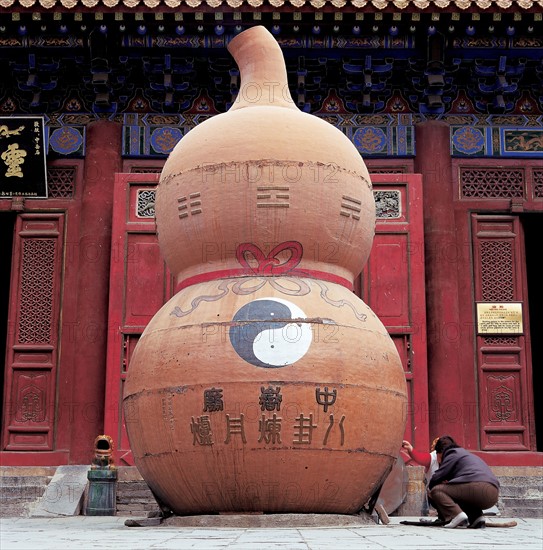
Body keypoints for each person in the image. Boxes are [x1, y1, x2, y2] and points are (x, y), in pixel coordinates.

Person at [426, 435, 500, 529]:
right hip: (493, 494)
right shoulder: (465, 454)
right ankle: (477, 518)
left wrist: (431, 490)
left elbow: (437, 477)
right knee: (459, 493)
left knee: (437, 490)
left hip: (479, 488)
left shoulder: (451, 454)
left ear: (439, 452)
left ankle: (457, 516)